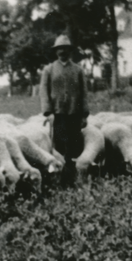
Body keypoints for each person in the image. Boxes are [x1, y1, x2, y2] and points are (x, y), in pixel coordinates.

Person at [40, 35, 89, 183]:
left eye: (65, 49)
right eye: (60, 49)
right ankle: (60, 179)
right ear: (56, 52)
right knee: (59, 146)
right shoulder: (49, 70)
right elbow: (44, 91)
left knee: (74, 146)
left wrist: (84, 115)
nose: (63, 51)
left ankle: (74, 178)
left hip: (74, 113)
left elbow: (84, 93)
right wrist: (48, 112)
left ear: (70, 51)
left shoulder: (78, 70)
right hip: (57, 114)